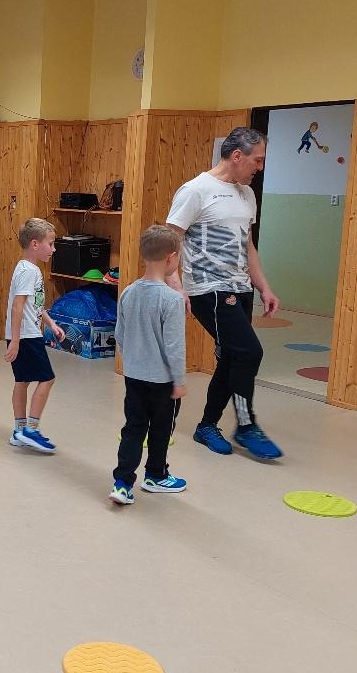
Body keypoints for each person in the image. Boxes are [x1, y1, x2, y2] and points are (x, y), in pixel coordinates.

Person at [166, 126, 284, 460]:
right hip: (209, 289)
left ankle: (207, 426)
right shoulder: (195, 190)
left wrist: (263, 287)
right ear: (236, 156)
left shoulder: (247, 195)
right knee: (249, 352)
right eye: (257, 160)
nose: (260, 167)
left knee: (231, 357)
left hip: (240, 288)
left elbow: (248, 246)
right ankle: (246, 425)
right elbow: (168, 241)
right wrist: (176, 285)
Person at [110, 226, 187, 505]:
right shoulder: (172, 299)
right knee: (161, 430)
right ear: (171, 258)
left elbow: (119, 335)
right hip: (163, 382)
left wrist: (133, 360)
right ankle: (155, 475)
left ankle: (122, 483)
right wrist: (179, 381)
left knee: (133, 428)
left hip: (134, 377)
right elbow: (175, 347)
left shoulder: (128, 292)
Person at [4, 219, 64, 453]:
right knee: (47, 378)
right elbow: (17, 307)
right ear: (35, 244)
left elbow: (34, 306)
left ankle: (19, 431)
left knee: (22, 381)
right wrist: (16, 341)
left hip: (23, 334)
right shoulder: (29, 271)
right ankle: (31, 429)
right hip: (27, 336)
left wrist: (51, 323)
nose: (54, 249)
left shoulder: (25, 268)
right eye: (51, 244)